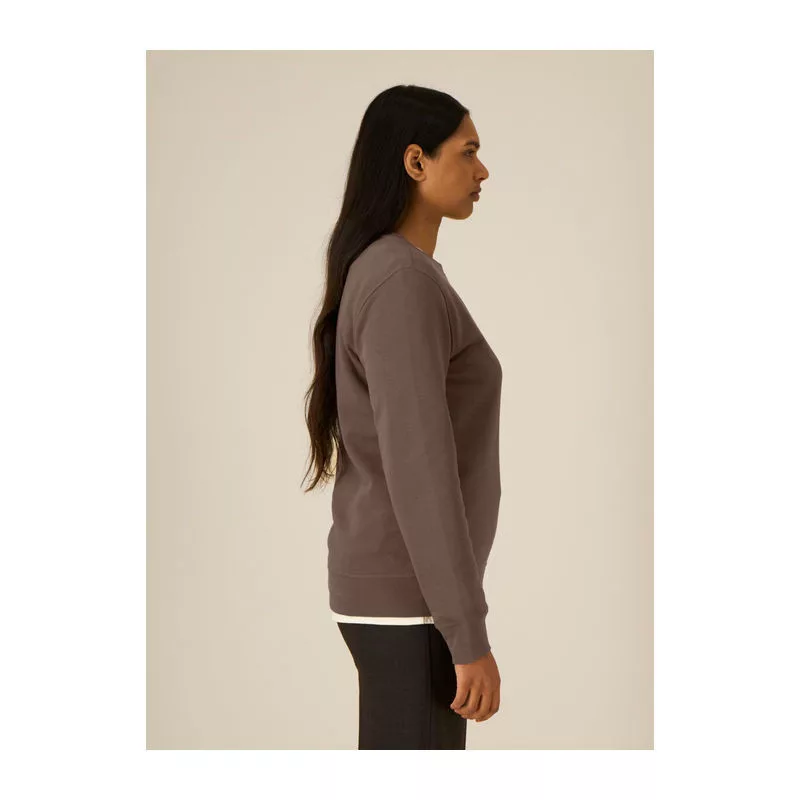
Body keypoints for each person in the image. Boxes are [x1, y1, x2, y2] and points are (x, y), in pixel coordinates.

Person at [303, 84, 502, 749]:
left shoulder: (395, 272)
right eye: (467, 152)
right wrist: (466, 632)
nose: (482, 171)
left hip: (406, 597)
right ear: (416, 161)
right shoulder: (402, 282)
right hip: (411, 605)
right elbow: (420, 469)